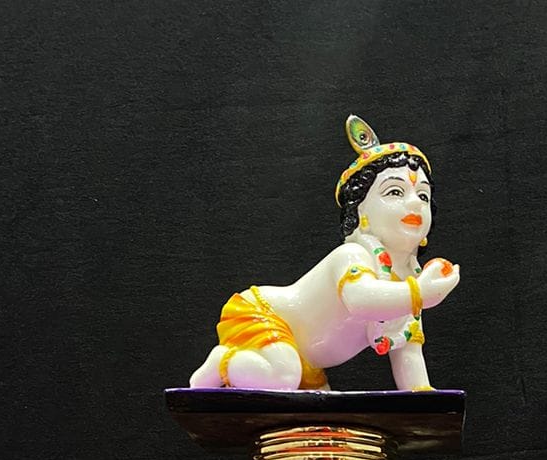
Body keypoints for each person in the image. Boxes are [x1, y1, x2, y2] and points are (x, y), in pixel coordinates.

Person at [188, 115, 461, 393]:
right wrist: (419, 294)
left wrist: (425, 399)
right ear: (361, 212)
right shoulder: (353, 256)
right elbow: (362, 299)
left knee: (314, 409)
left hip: (304, 359)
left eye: (423, 196)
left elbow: (408, 352)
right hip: (266, 318)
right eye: (395, 192)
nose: (414, 203)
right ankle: (223, 362)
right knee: (282, 377)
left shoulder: (407, 282)